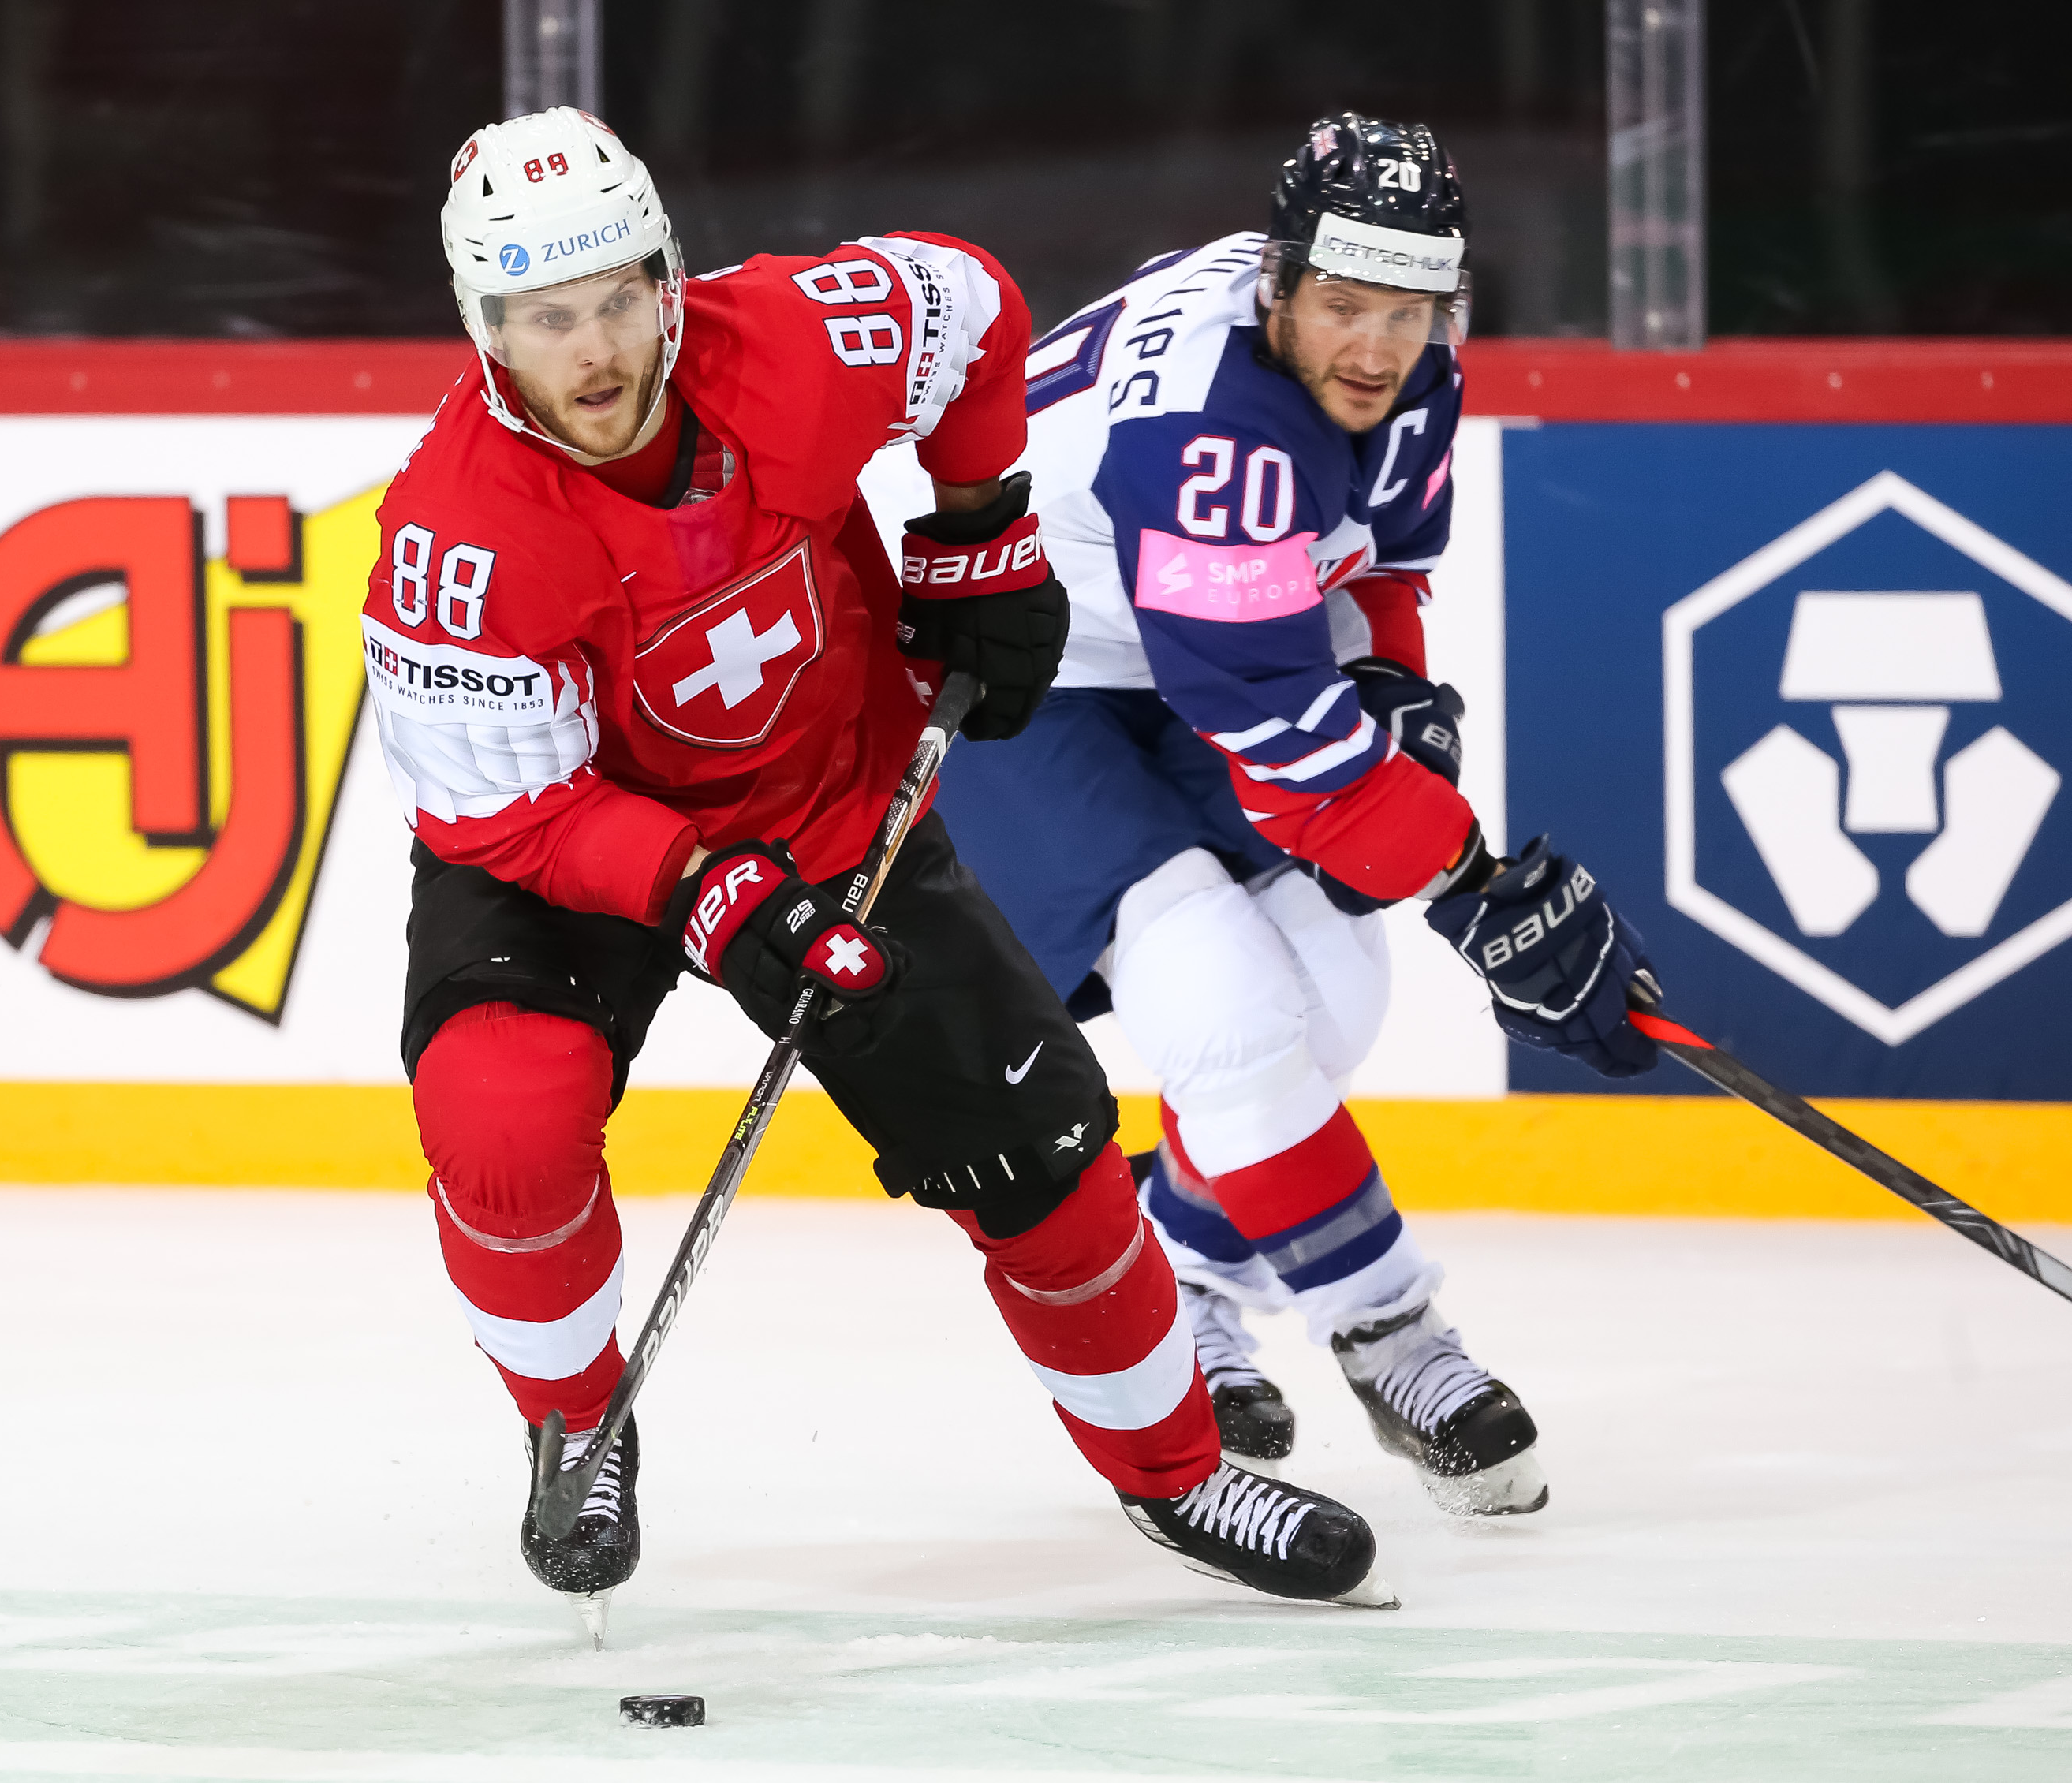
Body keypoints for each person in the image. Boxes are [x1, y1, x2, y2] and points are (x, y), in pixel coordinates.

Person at [360, 107, 1398, 1638]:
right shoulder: (449, 540)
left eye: (618, 300)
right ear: (484, 327)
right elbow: (506, 813)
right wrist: (709, 892)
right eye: (544, 318)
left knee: (1045, 1148)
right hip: (573, 845)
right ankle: (577, 1421)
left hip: (833, 800)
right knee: (499, 1118)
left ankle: (1178, 1472)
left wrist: (981, 534)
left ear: (666, 276)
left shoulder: (795, 336)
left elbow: (976, 309)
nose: (594, 352)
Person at [932, 113, 1659, 1518]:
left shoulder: (1408, 360)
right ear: (1277, 281)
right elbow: (1280, 739)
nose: (1375, 347)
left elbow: (1375, 566)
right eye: (1343, 305)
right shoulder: (1213, 434)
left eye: (1409, 310)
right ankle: (1395, 1337)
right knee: (1217, 1002)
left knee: (1333, 984)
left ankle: (1182, 1273)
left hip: (1185, 644)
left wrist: (1393, 684)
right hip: (1014, 669)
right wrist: (1476, 885)